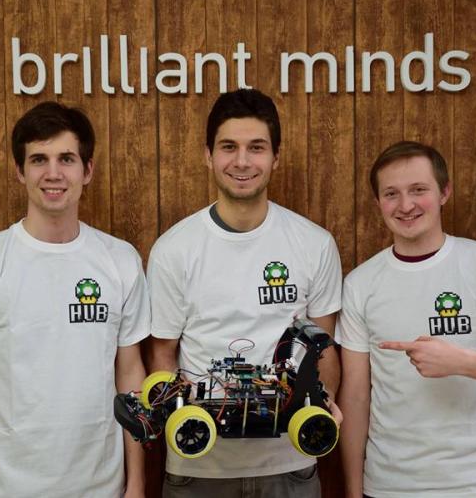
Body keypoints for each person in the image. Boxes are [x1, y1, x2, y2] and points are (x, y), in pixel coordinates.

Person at [0, 102, 149, 498]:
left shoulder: (120, 260)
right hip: (1, 489)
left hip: (101, 488)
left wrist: (136, 483)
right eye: (38, 160)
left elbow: (130, 376)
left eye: (66, 159)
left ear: (88, 170)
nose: (53, 173)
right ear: (20, 171)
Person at [337, 141, 476, 498]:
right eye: (392, 194)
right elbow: (355, 397)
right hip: (389, 486)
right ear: (378, 202)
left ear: (444, 192)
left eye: (419, 190)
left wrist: (460, 361)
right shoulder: (360, 283)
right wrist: (353, 490)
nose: (406, 205)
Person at [147, 88, 343, 497]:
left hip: (290, 463)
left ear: (275, 156)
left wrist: (321, 405)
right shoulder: (174, 249)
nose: (241, 161)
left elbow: (322, 349)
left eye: (256, 147)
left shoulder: (314, 244)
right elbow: (163, 354)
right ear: (208, 155)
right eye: (228, 147)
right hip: (199, 467)